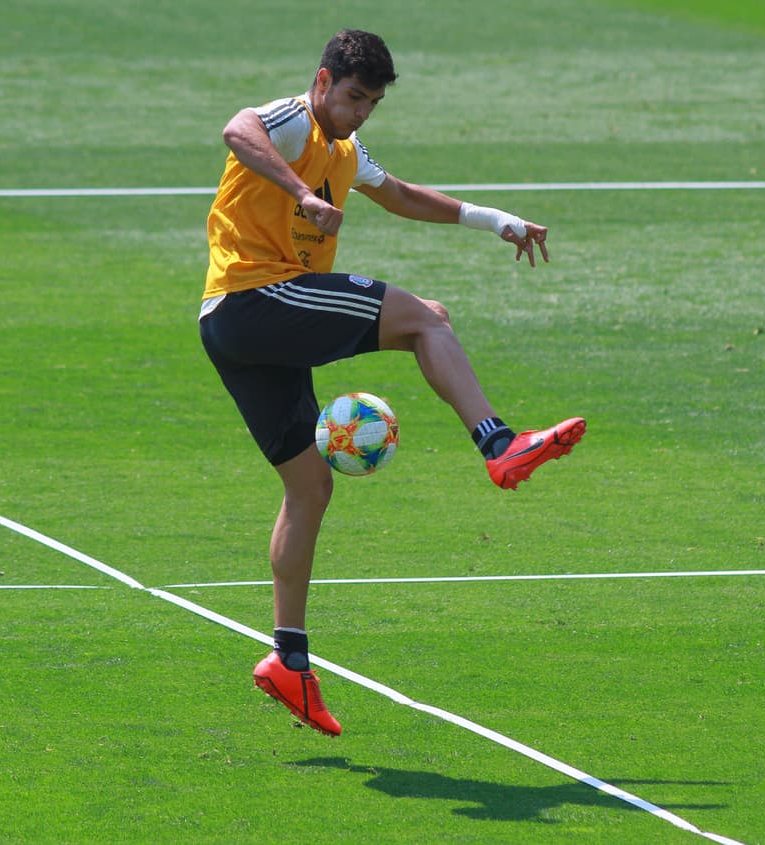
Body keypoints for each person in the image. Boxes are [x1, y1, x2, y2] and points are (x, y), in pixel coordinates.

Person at [199, 29, 585, 736]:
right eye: (351, 97)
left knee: (310, 484)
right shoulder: (293, 119)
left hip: (239, 326)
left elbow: (400, 194)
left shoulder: (346, 148)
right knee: (424, 318)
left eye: (371, 103)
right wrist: (300, 195)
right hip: (255, 299)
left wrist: (493, 220)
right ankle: (498, 444)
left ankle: (288, 659)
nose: (359, 113)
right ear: (322, 82)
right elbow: (235, 129)